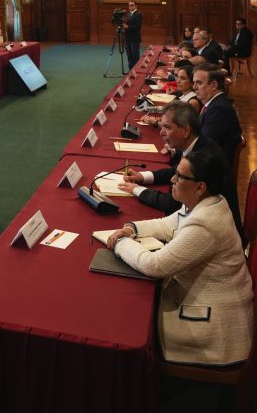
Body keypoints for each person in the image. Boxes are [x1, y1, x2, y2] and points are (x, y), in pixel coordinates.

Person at [106, 151, 253, 366]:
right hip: (209, 307)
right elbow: (167, 225)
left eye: (180, 176)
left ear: (200, 187)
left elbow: (154, 265)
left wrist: (120, 244)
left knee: (126, 321)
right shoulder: (208, 201)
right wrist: (131, 228)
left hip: (214, 331)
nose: (172, 180)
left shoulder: (206, 223)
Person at [119, 101, 243, 242]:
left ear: (186, 131)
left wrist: (137, 189)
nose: (161, 132)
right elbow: (176, 171)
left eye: (167, 127)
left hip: (215, 236)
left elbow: (172, 204)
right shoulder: (200, 144)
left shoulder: (204, 157)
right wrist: (143, 177)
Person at [192, 63, 242, 164]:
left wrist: (177, 149)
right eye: (194, 83)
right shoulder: (214, 104)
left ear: (214, 85)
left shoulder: (219, 110)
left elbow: (203, 147)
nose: (194, 87)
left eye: (199, 83)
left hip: (208, 169)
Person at [123, 0, 142, 70]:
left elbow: (137, 27)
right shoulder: (128, 14)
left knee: (135, 55)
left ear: (136, 6)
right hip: (127, 38)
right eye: (129, 5)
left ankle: (136, 70)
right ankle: (131, 70)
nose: (130, 7)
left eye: (132, 5)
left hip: (134, 38)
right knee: (129, 55)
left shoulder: (138, 14)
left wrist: (127, 27)